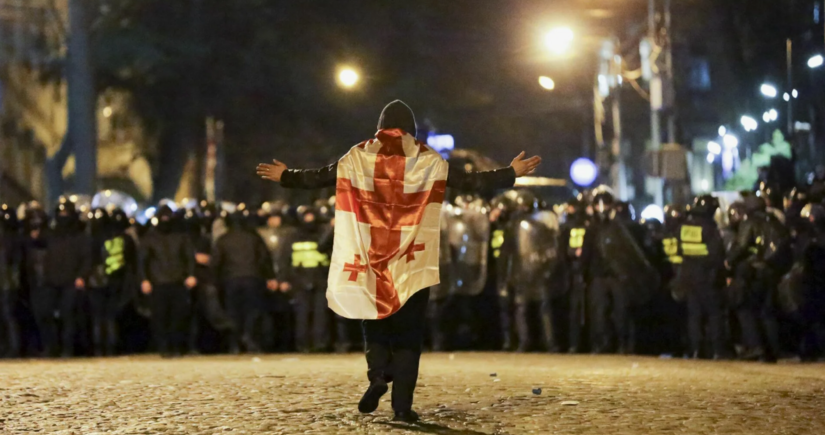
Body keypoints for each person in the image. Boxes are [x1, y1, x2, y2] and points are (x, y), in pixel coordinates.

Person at [256, 100, 540, 422]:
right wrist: (510, 173)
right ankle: (402, 408)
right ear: (412, 129)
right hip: (411, 260)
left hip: (370, 258)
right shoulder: (428, 159)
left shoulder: (358, 155)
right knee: (408, 335)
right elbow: (470, 182)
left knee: (372, 318)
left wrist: (286, 176)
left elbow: (319, 177)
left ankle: (378, 375)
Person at [29, 200, 91, 357]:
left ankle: (67, 349)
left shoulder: (79, 235)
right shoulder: (51, 233)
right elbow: (34, 240)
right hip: (51, 279)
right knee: (45, 313)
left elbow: (87, 258)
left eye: (66, 214)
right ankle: (51, 347)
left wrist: (82, 276)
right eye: (60, 214)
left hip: (71, 280)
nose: (63, 217)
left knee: (68, 315)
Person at [212, 205, 276, 354]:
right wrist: (270, 276)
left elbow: (216, 262)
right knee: (253, 312)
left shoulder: (223, 239)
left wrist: (217, 281)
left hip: (231, 280)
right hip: (252, 278)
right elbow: (264, 258)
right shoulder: (254, 237)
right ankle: (250, 339)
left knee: (234, 313)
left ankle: (235, 343)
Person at [139, 205, 197, 357]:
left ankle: (175, 346)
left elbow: (188, 257)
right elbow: (143, 260)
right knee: (160, 317)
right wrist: (144, 279)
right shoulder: (151, 237)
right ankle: (164, 347)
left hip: (176, 281)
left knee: (177, 317)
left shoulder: (181, 236)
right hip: (159, 282)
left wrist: (190, 275)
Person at [677, 195, 727, 359]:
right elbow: (716, 255)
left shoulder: (684, 226)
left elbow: (679, 250)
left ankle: (696, 349)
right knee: (714, 315)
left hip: (688, 277)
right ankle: (718, 351)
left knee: (694, 315)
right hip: (707, 277)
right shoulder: (709, 228)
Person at [560, 195, 591, 353]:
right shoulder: (586, 225)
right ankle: (577, 343)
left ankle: (576, 344)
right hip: (576, 273)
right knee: (577, 311)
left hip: (579, 273)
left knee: (578, 311)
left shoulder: (570, 226)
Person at [0, 204, 21, 358]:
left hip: (7, 283)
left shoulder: (11, 239)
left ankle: (13, 348)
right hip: (7, 282)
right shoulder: (12, 238)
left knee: (9, 316)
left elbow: (15, 263)